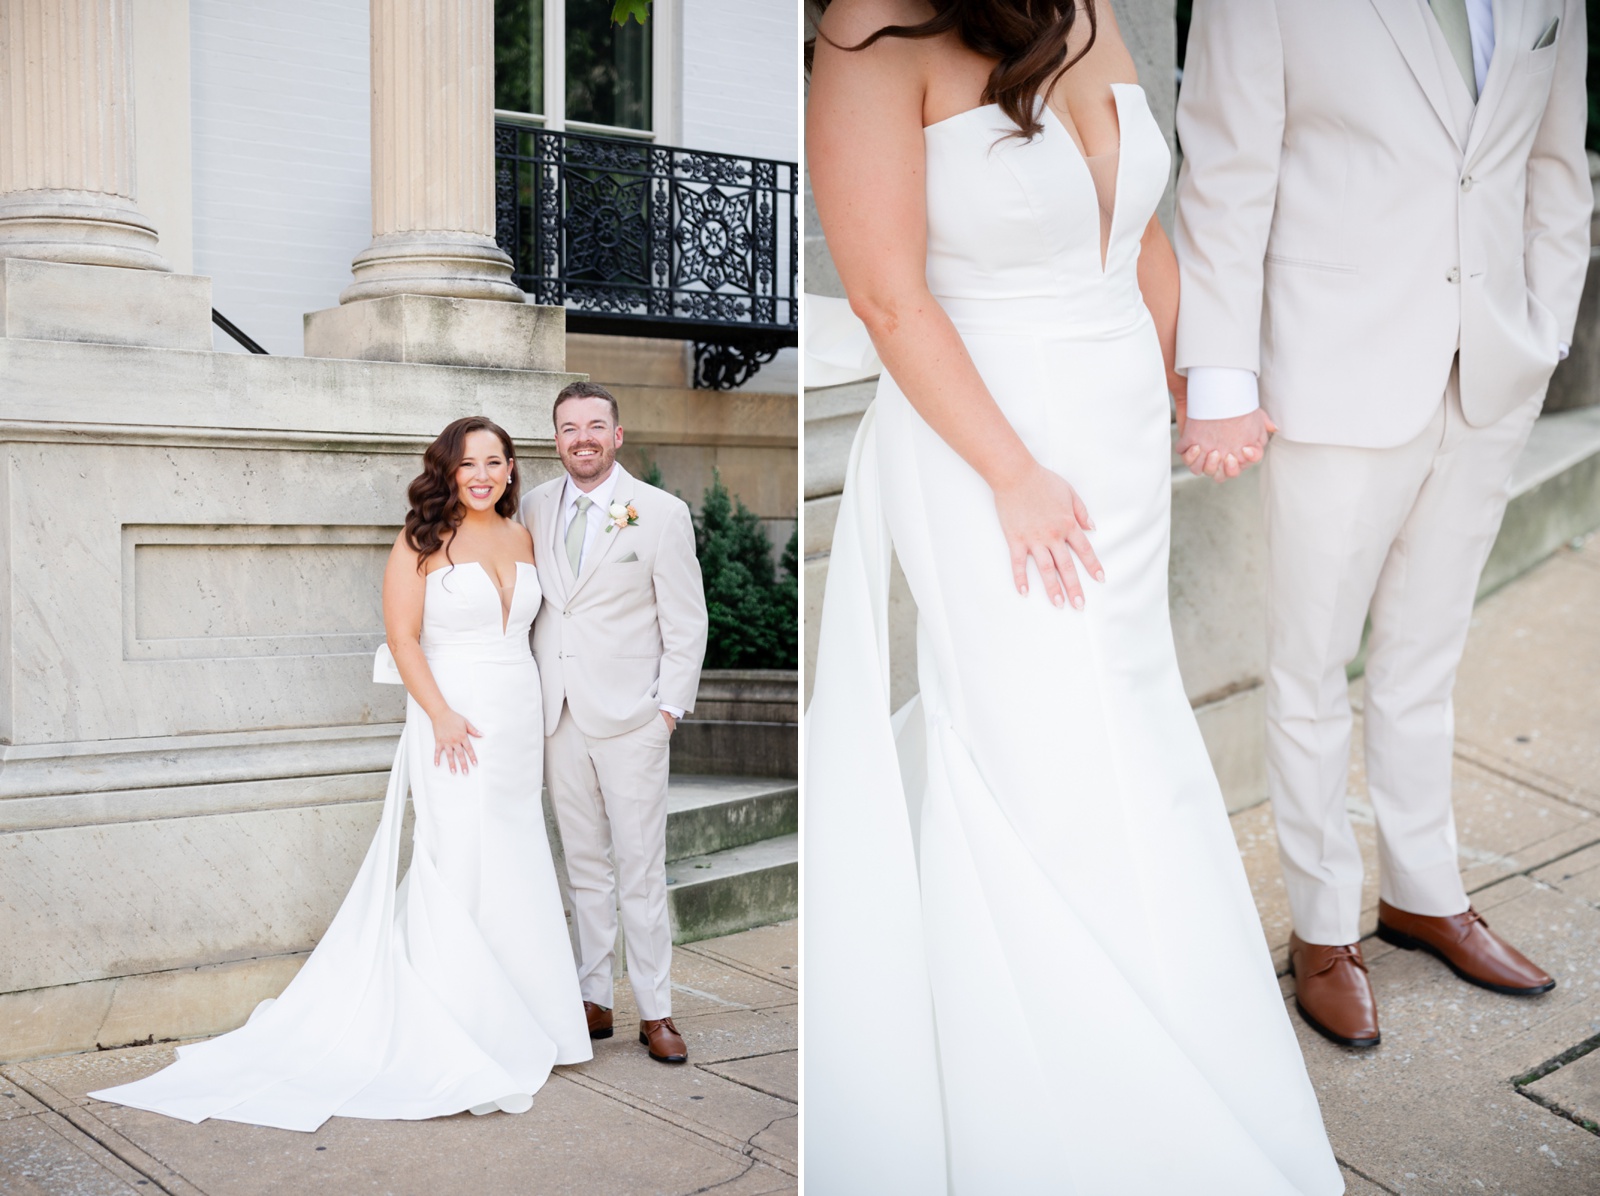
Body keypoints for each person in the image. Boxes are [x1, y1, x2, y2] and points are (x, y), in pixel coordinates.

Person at [804, 1, 1342, 1191]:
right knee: (1036, 744)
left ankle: (1169, 1016)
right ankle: (1056, 1082)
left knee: (1129, 736)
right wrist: (1012, 474)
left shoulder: (1082, 6)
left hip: (1110, 437)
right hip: (984, 441)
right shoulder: (865, 30)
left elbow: (1137, 231)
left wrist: (1195, 382)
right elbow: (889, 299)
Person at [1175, 0, 1590, 1048]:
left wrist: (1540, 328)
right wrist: (1218, 371)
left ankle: (1422, 890)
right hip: (1333, 363)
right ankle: (1321, 927)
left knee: (1426, 654)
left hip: (1490, 368)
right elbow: (1224, 170)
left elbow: (1554, 161)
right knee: (1309, 664)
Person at [90, 417, 592, 1131]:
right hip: (453, 718)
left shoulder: (524, 536)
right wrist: (441, 714)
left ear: (512, 469)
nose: (480, 475)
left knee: (513, 855)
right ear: (447, 472)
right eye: (467, 463)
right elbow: (401, 637)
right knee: (458, 858)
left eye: (494, 462)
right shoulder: (422, 541)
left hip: (517, 717)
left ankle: (533, 1016)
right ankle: (458, 1019)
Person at [521, 382, 708, 1064]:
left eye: (595, 425)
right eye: (569, 427)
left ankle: (655, 1011)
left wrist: (666, 712)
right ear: (557, 439)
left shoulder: (659, 513)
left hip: (633, 719)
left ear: (618, 435)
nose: (583, 438)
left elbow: (686, 621)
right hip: (558, 716)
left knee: (640, 869)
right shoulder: (535, 507)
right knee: (584, 867)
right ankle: (592, 999)